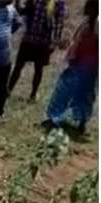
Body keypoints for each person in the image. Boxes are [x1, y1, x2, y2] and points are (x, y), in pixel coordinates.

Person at [43, 0, 98, 134]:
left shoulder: (96, 24)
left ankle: (61, 119)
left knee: (70, 92)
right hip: (81, 65)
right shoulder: (87, 22)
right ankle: (63, 119)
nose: (85, 9)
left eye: (88, 7)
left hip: (86, 67)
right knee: (78, 94)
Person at [8, 0, 66, 101]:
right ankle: (8, 90)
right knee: (18, 65)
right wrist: (18, 3)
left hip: (43, 42)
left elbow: (59, 24)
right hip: (28, 39)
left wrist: (54, 43)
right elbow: (22, 12)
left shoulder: (57, 3)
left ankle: (33, 94)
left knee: (38, 68)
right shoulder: (34, 1)